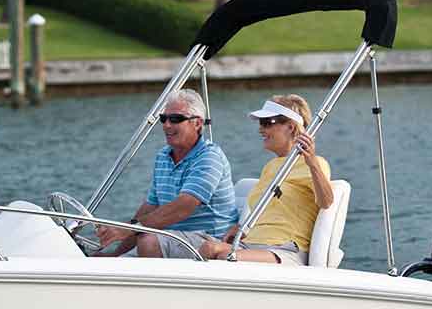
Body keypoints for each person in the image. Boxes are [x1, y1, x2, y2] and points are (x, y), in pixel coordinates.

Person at [94, 89, 237, 258]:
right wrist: (116, 254)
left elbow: (183, 207)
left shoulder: (210, 158)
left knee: (148, 240)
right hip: (174, 239)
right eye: (164, 118)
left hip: (211, 240)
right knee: (141, 236)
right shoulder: (163, 156)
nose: (167, 125)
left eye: (175, 119)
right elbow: (150, 208)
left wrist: (130, 229)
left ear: (198, 123)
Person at [200, 94, 332, 265]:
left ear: (291, 127)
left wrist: (313, 163)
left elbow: (326, 202)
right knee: (207, 248)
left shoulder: (314, 163)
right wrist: (243, 229)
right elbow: (273, 214)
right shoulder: (270, 167)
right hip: (252, 244)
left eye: (266, 123)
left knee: (224, 256)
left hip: (285, 249)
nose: (260, 129)